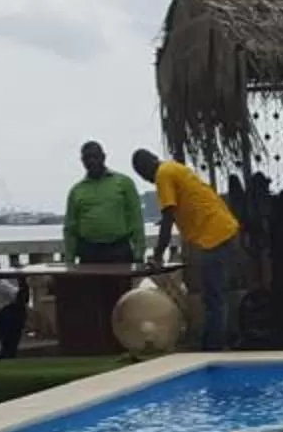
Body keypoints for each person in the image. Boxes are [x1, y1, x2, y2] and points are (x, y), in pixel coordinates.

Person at [134, 148, 242, 350]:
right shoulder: (173, 167)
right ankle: (214, 343)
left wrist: (157, 256)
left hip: (215, 235)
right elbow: (176, 210)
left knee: (213, 297)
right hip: (223, 229)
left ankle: (214, 348)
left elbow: (168, 217)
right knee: (215, 295)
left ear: (145, 170)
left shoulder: (163, 175)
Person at [63, 141, 146, 267]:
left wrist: (139, 253)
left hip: (119, 250)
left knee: (122, 287)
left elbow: (136, 219)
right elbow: (70, 228)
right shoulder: (76, 191)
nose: (91, 161)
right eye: (87, 158)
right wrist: (69, 260)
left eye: (95, 156)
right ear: (82, 161)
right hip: (89, 252)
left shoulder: (124, 183)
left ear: (103, 157)